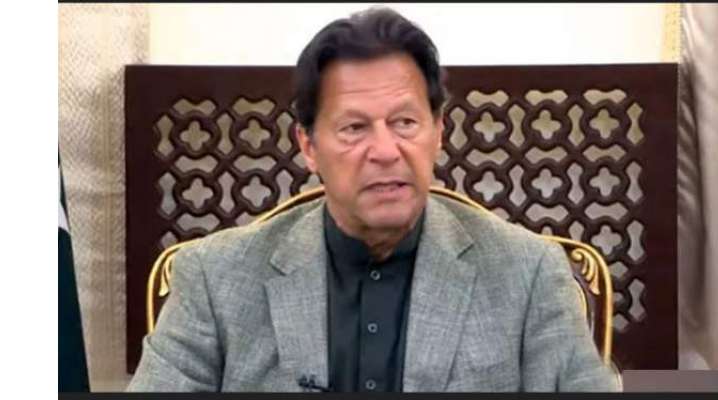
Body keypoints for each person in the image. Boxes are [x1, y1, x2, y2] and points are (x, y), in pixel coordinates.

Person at [128, 6, 620, 392]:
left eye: (405, 122)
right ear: (308, 145)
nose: (385, 151)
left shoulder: (529, 274)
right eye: (354, 127)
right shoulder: (214, 279)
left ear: (438, 132)